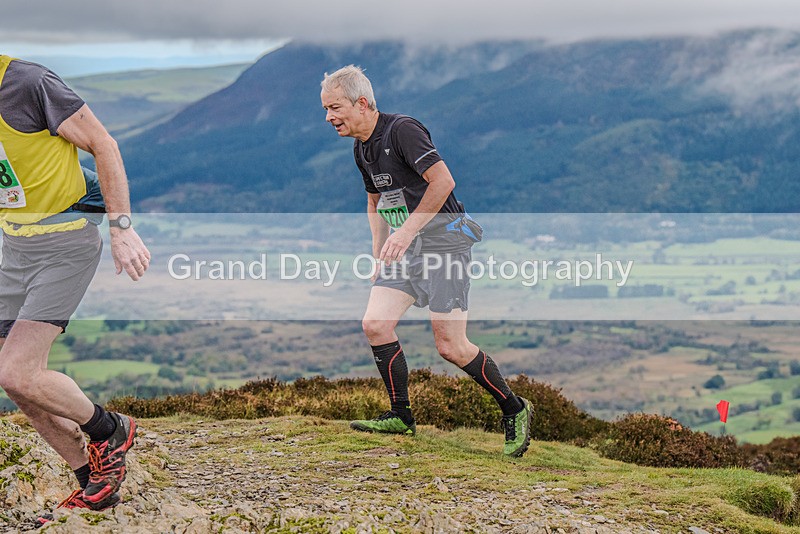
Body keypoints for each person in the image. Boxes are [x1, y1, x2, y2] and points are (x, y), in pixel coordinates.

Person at [320, 65, 533, 457]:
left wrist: (406, 233)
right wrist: (378, 250)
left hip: (445, 247)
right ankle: (401, 416)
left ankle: (515, 408)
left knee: (451, 346)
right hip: (405, 250)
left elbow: (443, 182)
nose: (329, 118)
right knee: (375, 324)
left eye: (335, 108)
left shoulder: (402, 129)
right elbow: (375, 202)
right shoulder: (360, 147)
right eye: (326, 110)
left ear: (362, 103)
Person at [0, 55, 151, 517]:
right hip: (12, 245)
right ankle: (92, 483)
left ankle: (110, 430)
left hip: (64, 243)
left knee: (18, 371)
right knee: (14, 378)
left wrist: (122, 229)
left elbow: (103, 144)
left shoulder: (27, 82)